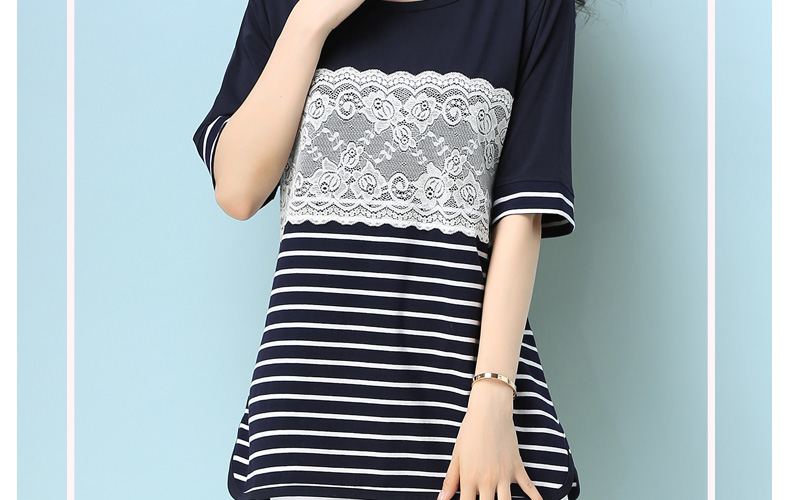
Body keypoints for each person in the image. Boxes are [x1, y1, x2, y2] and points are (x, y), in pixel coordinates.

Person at [192, 1, 585, 499]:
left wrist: (492, 396)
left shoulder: (530, 7)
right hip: (306, 423)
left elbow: (522, 212)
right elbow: (238, 190)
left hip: (463, 414)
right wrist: (311, 21)